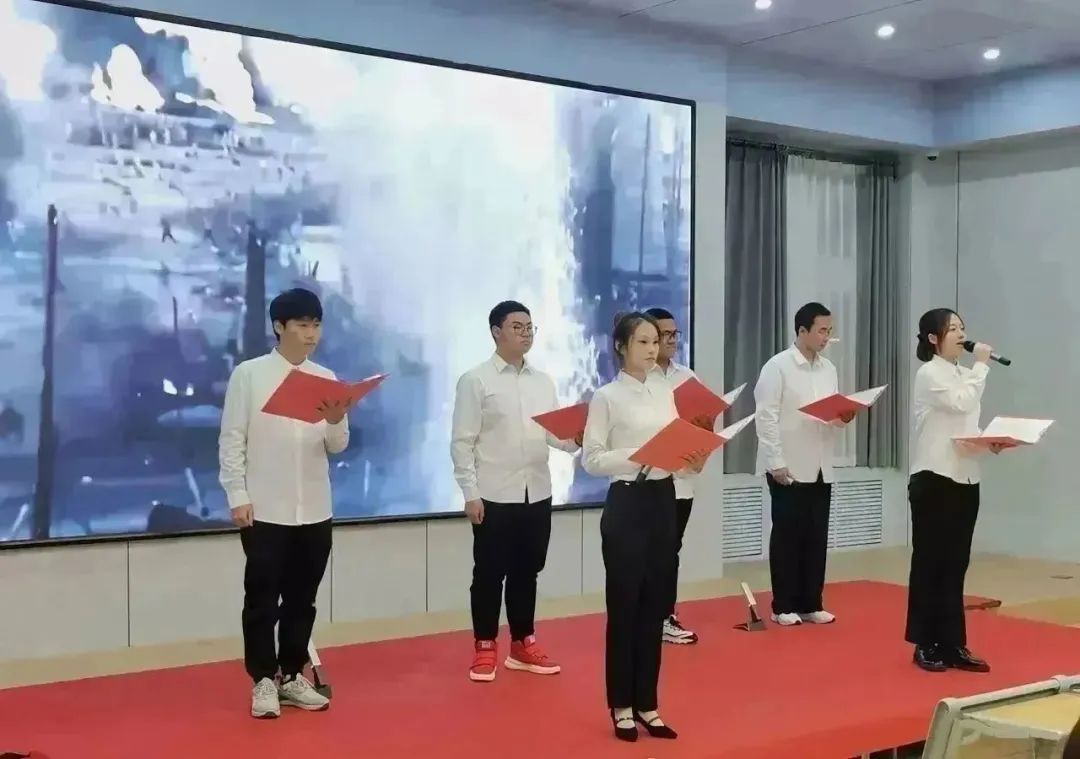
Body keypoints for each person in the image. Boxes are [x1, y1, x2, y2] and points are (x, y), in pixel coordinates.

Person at [219, 287, 355, 719]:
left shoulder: (327, 378)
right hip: (265, 507)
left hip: (314, 507)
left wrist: (335, 420)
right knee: (262, 598)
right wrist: (237, 494)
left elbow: (337, 444)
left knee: (303, 598)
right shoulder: (250, 375)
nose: (311, 334)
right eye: (302, 325)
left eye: (316, 325)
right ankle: (263, 679)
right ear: (279, 327)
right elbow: (232, 439)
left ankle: (293, 675)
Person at [582, 311, 708, 743]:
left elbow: (675, 449)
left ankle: (648, 705)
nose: (653, 349)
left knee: (654, 608)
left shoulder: (665, 392)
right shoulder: (606, 397)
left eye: (656, 341)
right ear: (621, 346)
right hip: (627, 501)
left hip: (662, 499)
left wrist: (692, 461)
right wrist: (638, 453)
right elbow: (592, 458)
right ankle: (621, 706)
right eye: (643, 341)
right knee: (625, 607)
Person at [450, 300, 580, 682]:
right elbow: (462, 442)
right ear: (496, 332)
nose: (526, 334)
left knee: (528, 572)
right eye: (517, 327)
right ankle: (485, 646)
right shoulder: (476, 380)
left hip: (536, 491)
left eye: (529, 327)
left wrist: (577, 437)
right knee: (489, 574)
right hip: (494, 493)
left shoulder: (543, 381)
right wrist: (470, 492)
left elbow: (555, 435)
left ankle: (523, 643)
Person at [907, 308, 999, 673]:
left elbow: (962, 429)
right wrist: (982, 366)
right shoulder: (929, 373)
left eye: (963, 327)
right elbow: (961, 402)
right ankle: (925, 643)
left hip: (965, 477)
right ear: (933, 338)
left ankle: (952, 643)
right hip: (934, 478)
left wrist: (989, 443)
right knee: (930, 563)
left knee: (956, 564)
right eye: (953, 329)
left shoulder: (963, 374)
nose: (961, 334)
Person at [754, 302, 852, 627]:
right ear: (802, 331)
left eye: (830, 331)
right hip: (789, 464)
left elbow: (829, 414)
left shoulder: (829, 369)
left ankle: (812, 602)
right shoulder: (778, 366)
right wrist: (776, 462)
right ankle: (783, 605)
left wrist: (842, 417)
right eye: (822, 330)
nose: (826, 337)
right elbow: (766, 417)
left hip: (821, 463)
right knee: (788, 535)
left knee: (816, 535)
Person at [644, 307, 704, 645]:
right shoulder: (641, 378)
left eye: (673, 334)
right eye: (662, 335)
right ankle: (648, 617)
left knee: (670, 552)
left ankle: (665, 615)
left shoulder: (687, 377)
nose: (670, 341)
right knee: (650, 554)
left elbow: (700, 423)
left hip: (683, 481)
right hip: (651, 481)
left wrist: (702, 445)